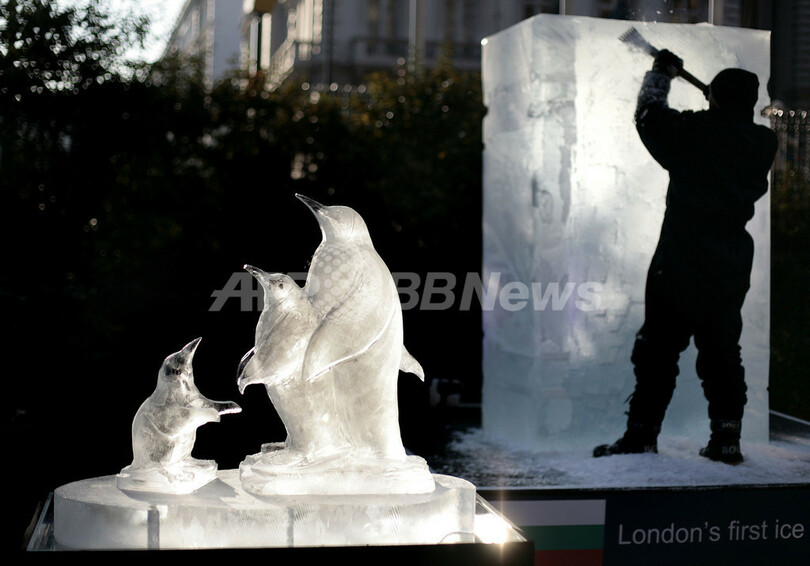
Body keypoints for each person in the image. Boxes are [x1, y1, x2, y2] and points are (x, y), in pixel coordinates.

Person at [593, 50, 778, 464]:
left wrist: (661, 73)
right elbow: (720, 124)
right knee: (722, 352)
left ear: (714, 97)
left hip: (679, 261)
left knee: (657, 351)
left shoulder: (695, 132)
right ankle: (727, 440)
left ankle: (641, 437)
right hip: (730, 263)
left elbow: (649, 115)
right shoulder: (763, 141)